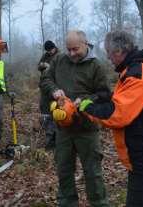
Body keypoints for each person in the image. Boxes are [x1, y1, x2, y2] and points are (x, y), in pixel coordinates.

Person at [78, 31, 143, 207]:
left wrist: (87, 108)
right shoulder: (136, 69)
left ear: (118, 51)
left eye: (109, 52)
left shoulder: (138, 74)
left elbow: (118, 114)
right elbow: (126, 100)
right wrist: (101, 99)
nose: (108, 58)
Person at [40, 30, 110, 207]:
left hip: (87, 129)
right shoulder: (59, 60)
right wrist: (53, 90)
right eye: (68, 49)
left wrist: (87, 100)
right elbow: (45, 80)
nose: (71, 53)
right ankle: (67, 202)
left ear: (85, 44)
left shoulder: (96, 65)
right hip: (63, 129)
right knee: (64, 169)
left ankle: (99, 203)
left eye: (75, 49)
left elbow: (104, 94)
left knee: (93, 172)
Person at [38, 40, 59, 149]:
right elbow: (38, 66)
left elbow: (60, 70)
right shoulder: (45, 55)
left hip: (55, 88)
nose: (50, 52)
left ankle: (55, 138)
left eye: (51, 50)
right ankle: (49, 137)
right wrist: (42, 65)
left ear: (54, 48)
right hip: (44, 88)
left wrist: (49, 66)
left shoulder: (60, 56)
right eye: (48, 50)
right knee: (45, 112)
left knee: (55, 112)